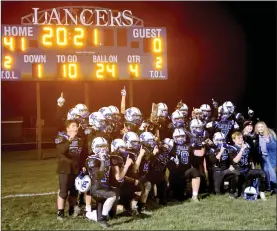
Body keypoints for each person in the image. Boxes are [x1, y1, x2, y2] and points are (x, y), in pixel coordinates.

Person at [55, 120, 83, 220]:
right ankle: (60, 213)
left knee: (74, 191)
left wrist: (82, 165)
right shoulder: (61, 138)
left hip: (76, 168)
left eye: (76, 126)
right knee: (63, 191)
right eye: (73, 126)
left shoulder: (80, 139)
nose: (76, 128)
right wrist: (70, 140)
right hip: (65, 168)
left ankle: (72, 210)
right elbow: (61, 151)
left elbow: (81, 155)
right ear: (68, 128)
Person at [229, 131, 267, 200]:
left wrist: (253, 168)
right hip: (237, 170)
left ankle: (261, 192)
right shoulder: (232, 148)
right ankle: (232, 191)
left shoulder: (247, 146)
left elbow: (250, 159)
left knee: (262, 173)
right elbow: (235, 160)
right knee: (237, 175)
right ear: (234, 140)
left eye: (241, 137)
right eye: (238, 138)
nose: (241, 139)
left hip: (247, 170)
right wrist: (242, 149)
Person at [255, 121, 277, 193]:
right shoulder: (258, 136)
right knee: (265, 172)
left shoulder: (269, 135)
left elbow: (274, 148)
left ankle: (275, 188)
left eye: (262, 127)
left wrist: (273, 160)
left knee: (272, 172)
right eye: (258, 127)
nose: (260, 128)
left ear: (264, 127)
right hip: (262, 156)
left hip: (270, 156)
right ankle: (268, 186)